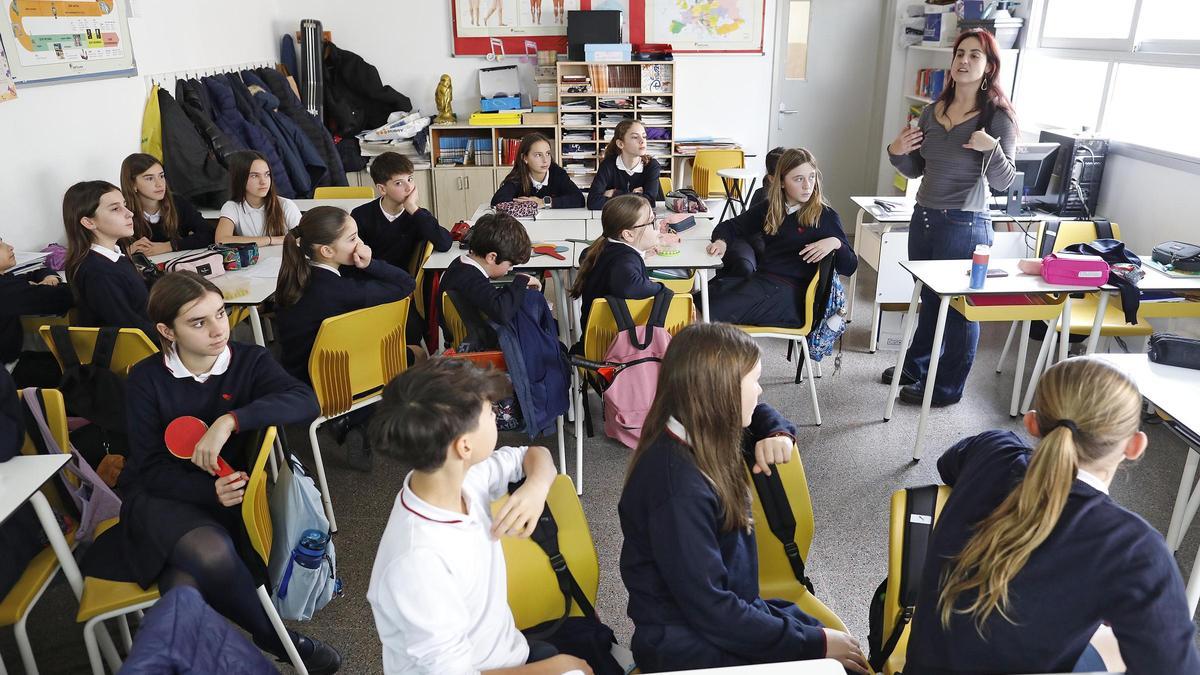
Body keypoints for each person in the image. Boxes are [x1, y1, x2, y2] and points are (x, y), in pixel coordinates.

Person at [80, 271, 342, 674]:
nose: (218, 329)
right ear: (167, 330)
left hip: (222, 500)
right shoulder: (147, 378)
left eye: (220, 314)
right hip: (160, 497)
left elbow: (306, 401)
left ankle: (186, 656)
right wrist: (210, 493)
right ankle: (277, 640)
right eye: (198, 322)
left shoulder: (249, 361)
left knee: (182, 584)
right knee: (209, 552)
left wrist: (230, 421)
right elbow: (147, 469)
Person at [906, 357, 1200, 674]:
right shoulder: (1136, 551)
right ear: (1134, 446)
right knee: (1113, 643)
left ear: (1032, 422)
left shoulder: (991, 450)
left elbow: (947, 466)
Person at [619, 323, 869, 673]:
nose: (760, 390)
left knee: (835, 649)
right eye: (754, 381)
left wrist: (777, 433)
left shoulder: (697, 427)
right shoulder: (677, 489)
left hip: (726, 616)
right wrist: (817, 643)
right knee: (832, 658)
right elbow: (713, 612)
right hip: (690, 644)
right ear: (721, 395)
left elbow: (762, 413)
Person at [366, 357, 591, 675]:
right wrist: (559, 667)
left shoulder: (460, 477)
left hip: (505, 652)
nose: (496, 415)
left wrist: (537, 486)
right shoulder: (418, 563)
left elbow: (533, 455)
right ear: (464, 446)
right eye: (490, 412)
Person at [885, 28, 1018, 407]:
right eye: (960, 53)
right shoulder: (931, 111)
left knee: (960, 309)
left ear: (989, 66)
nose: (964, 60)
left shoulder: (997, 118)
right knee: (929, 297)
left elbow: (1005, 183)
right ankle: (916, 367)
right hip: (924, 216)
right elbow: (914, 169)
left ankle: (946, 389)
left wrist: (992, 149)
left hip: (965, 223)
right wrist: (895, 151)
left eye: (974, 55)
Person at [273, 206, 419, 471]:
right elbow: (406, 284)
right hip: (336, 382)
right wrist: (371, 263)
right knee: (414, 353)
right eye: (352, 239)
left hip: (298, 377)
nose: (360, 243)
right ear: (326, 251)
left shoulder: (291, 280)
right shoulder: (344, 291)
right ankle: (361, 419)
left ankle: (350, 419)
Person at [705, 148, 856, 327]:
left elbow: (850, 266)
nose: (808, 185)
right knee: (699, 299)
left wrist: (836, 243)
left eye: (812, 177)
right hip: (762, 283)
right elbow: (730, 226)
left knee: (707, 311)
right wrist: (721, 241)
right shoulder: (770, 208)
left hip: (792, 299)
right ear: (782, 182)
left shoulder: (826, 217)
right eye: (799, 179)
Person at [62, 180, 157, 339]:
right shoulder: (99, 272)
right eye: (115, 209)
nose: (129, 213)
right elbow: (129, 329)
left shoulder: (115, 258)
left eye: (125, 205)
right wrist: (176, 335)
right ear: (89, 222)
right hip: (136, 353)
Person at [439, 212, 540, 351]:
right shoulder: (470, 278)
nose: (509, 270)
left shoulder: (460, 265)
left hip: (464, 343)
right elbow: (501, 313)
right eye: (510, 265)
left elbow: (486, 297)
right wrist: (521, 281)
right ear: (492, 257)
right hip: (480, 352)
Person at [568, 194, 663, 332]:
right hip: (618, 345)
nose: (658, 225)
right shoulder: (625, 259)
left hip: (594, 338)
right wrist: (660, 288)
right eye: (652, 222)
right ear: (628, 235)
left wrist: (641, 255)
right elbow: (630, 286)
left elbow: (585, 255)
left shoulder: (605, 247)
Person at [351, 151, 452, 272]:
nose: (409, 187)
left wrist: (413, 208)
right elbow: (352, 258)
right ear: (382, 189)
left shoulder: (418, 216)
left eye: (410, 179)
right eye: (399, 183)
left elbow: (445, 243)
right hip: (370, 279)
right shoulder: (361, 215)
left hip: (403, 282)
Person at [120, 152, 215, 255]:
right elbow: (105, 248)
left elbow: (209, 233)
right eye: (149, 178)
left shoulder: (177, 202)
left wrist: (168, 246)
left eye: (161, 176)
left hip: (174, 265)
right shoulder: (121, 210)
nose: (159, 184)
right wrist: (127, 250)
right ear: (132, 184)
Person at [0, 236, 72, 367]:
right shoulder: (5, 289)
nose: (10, 247)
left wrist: (51, 277)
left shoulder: (6, 281)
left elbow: (36, 273)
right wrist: (41, 288)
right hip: (6, 373)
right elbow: (66, 296)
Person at [215, 150, 302, 247]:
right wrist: (271, 240)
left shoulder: (286, 205)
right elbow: (221, 240)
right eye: (255, 176)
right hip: (254, 261)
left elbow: (302, 237)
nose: (263, 181)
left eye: (267, 174)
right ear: (240, 178)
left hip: (282, 260)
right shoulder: (232, 206)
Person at [491, 132, 585, 209]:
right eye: (538, 155)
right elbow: (497, 201)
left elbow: (579, 199)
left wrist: (543, 203)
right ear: (524, 158)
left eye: (547, 154)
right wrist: (528, 204)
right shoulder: (519, 176)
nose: (545, 160)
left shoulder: (557, 173)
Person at [587, 119, 663, 210]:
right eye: (635, 137)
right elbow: (593, 202)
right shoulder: (608, 165)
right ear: (620, 144)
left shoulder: (651, 166)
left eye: (644, 136)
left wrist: (615, 193)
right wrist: (635, 196)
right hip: (617, 219)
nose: (642, 141)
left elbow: (649, 202)